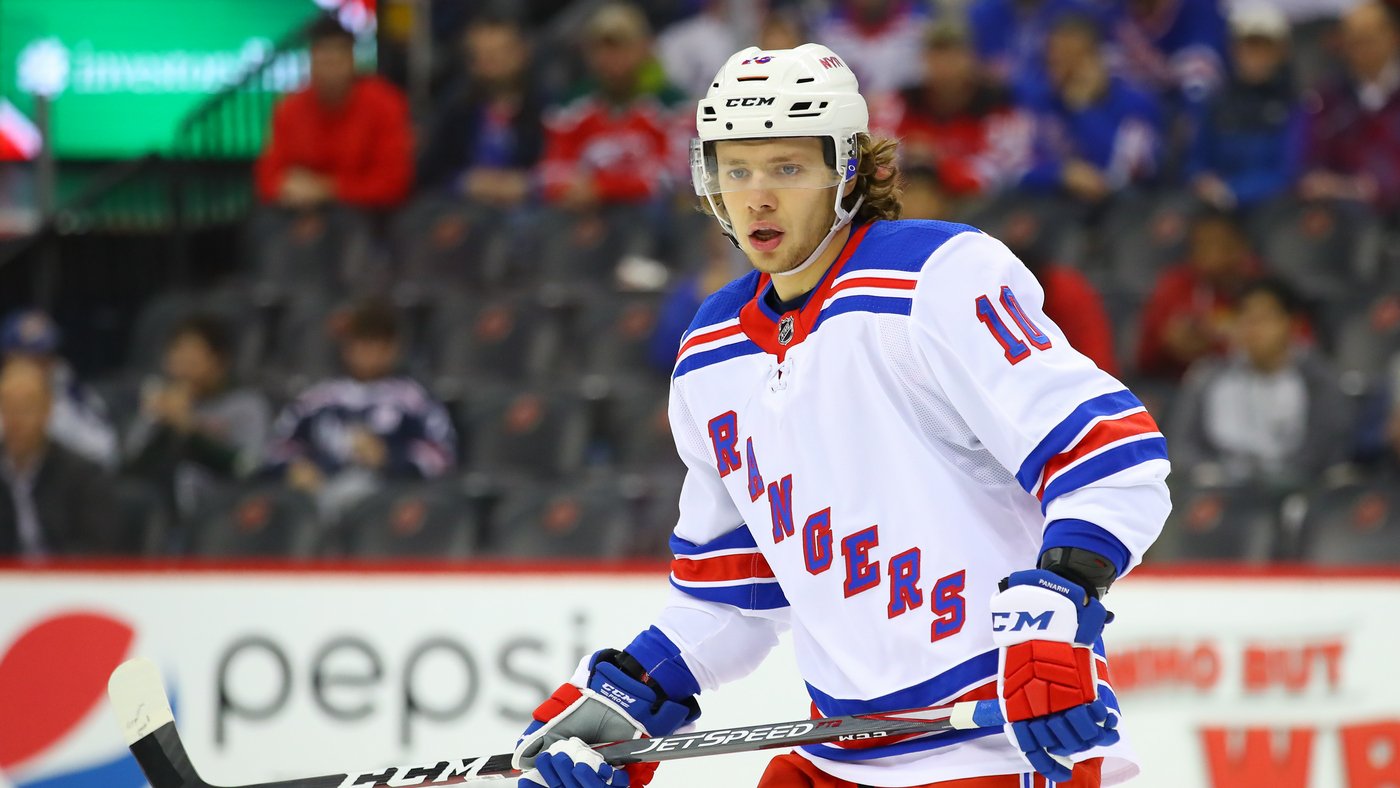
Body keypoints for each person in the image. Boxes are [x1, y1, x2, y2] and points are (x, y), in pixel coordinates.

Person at [512, 43, 1169, 788]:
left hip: (1004, 746)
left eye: (787, 168)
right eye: (736, 170)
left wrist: (1059, 597)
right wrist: (631, 691)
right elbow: (734, 596)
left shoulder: (935, 278)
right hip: (836, 758)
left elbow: (1111, 457)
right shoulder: (709, 354)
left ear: (850, 171)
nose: (757, 197)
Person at [263, 300, 456, 518]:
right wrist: (293, 467)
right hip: (319, 495)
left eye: (375, 342)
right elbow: (276, 447)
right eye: (360, 341)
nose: (366, 351)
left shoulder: (413, 398)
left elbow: (442, 456)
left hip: (386, 501)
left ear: (393, 347)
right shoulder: (317, 398)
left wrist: (390, 457)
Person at [1170, 279, 1349, 489]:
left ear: (1291, 324)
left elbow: (1322, 452)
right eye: (1246, 318)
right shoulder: (1208, 377)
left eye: (1264, 319)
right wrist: (1207, 473)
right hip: (1219, 487)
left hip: (1293, 489)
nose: (1253, 329)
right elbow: (1183, 445)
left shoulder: (1319, 382)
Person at [254, 16, 413, 211]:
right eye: (322, 60)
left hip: (364, 211)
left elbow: (393, 182)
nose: (329, 70)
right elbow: (267, 178)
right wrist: (286, 187)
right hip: (298, 209)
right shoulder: (290, 107)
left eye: (336, 60)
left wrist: (328, 189)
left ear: (352, 61)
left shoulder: (385, 103)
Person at [538, 3, 687, 210]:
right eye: (601, 49)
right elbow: (551, 171)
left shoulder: (672, 105)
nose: (612, 60)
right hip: (584, 213)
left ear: (644, 49)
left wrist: (602, 188)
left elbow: (677, 174)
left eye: (622, 47)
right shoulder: (570, 106)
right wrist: (571, 189)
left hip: (649, 214)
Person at [124, 316, 272, 518]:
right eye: (177, 355)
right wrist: (156, 421)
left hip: (220, 512)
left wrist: (190, 429)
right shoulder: (161, 404)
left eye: (192, 358)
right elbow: (130, 465)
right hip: (162, 510)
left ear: (219, 361)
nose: (183, 367)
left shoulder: (246, 405)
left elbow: (249, 466)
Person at [875, 22, 1032, 203]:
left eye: (953, 58)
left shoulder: (998, 108)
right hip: (908, 197)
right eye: (936, 57)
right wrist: (908, 156)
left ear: (971, 59)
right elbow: (876, 155)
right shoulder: (902, 102)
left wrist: (937, 160)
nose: (944, 68)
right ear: (924, 60)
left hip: (976, 207)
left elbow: (996, 179)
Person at [1018, 15, 1163, 205]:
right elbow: (1017, 168)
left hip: (1122, 207)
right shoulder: (1042, 101)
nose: (1056, 66)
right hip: (1056, 201)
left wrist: (1083, 109)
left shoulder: (1136, 103)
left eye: (1070, 57)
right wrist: (1060, 173)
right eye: (1053, 58)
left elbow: (1124, 173)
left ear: (1095, 60)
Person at [416, 15, 546, 205]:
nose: (492, 63)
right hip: (462, 204)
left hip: (531, 207)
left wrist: (529, 184)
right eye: (481, 55)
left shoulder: (548, 109)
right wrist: (464, 182)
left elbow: (563, 169)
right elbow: (430, 172)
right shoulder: (456, 110)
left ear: (523, 52)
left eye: (500, 53)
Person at [1186, 2, 1304, 211]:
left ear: (1281, 52)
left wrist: (1233, 193)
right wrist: (1202, 180)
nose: (1256, 56)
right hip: (1215, 206)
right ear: (1234, 50)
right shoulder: (1216, 102)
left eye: (1264, 48)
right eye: (1249, 46)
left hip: (1273, 210)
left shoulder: (1294, 105)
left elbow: (1288, 172)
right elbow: (1196, 159)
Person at [0, 358, 118, 557]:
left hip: (65, 574)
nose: (15, 419)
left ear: (47, 409)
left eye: (26, 408)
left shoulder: (83, 476)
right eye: (8, 407)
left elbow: (96, 548)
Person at [1298, 0, 1400, 215]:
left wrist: (1373, 187)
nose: (1361, 50)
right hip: (1344, 212)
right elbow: (1313, 156)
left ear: (1393, 37)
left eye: (1368, 39)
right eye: (1354, 41)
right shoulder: (1329, 94)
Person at [1136, 209, 1260, 379]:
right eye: (1201, 245)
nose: (1210, 254)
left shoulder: (1262, 285)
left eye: (1220, 245)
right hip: (1180, 384)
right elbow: (1143, 358)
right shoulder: (1174, 285)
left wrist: (1221, 342)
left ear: (1241, 247)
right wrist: (1167, 343)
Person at [0, 309, 117, 469]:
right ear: (8, 359)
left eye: (46, 356)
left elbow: (106, 450)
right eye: (32, 359)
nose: (43, 365)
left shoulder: (69, 391)